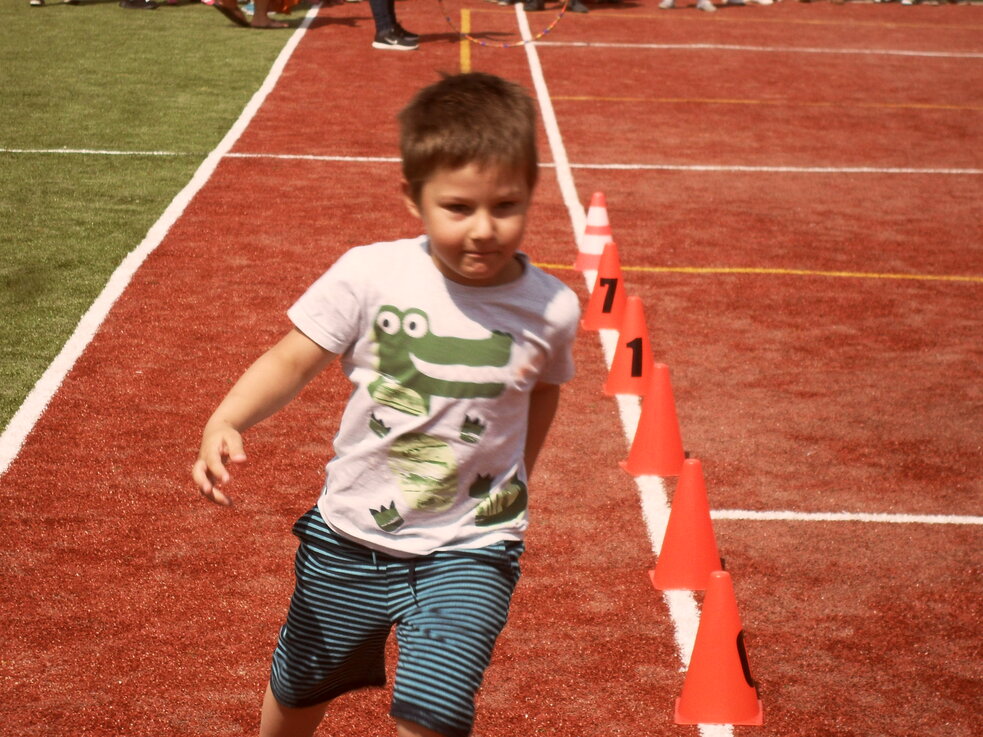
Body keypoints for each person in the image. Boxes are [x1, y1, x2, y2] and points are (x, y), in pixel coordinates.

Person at [192, 72, 580, 737]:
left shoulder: (551, 306)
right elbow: (292, 359)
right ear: (412, 199)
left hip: (474, 544)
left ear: (530, 193)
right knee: (303, 685)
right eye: (457, 207)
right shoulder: (369, 275)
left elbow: (543, 388)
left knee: (435, 709)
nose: (483, 229)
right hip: (352, 535)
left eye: (506, 205)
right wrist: (226, 418)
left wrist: (518, 476)